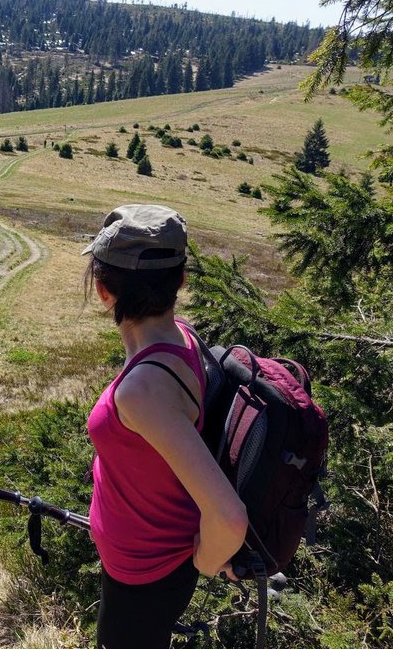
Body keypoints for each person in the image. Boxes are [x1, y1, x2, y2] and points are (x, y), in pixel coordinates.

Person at [81, 205, 247, 649]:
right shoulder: (180, 340)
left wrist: (205, 562)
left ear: (103, 291)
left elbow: (230, 519)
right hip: (145, 566)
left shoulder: (145, 388)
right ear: (181, 281)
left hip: (145, 576)